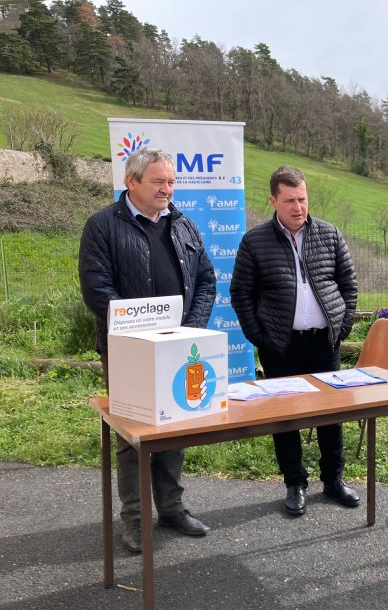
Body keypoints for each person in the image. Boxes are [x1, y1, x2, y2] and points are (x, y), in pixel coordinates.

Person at [79, 147, 216, 553]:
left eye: (171, 182)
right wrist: (139, 335)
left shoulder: (184, 224)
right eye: (159, 182)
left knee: (174, 430)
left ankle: (172, 508)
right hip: (128, 353)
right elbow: (96, 288)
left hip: (177, 348)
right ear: (131, 182)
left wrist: (188, 332)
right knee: (132, 436)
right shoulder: (103, 225)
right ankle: (136, 521)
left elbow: (206, 280)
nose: (167, 189)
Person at [230, 165, 359, 516]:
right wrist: (261, 337)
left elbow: (349, 285)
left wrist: (341, 326)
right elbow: (240, 293)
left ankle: (333, 480)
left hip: (324, 344)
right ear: (273, 200)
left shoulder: (330, 235)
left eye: (302, 198)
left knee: (331, 415)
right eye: (289, 200)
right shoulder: (254, 241)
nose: (298, 207)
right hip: (281, 348)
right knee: (285, 418)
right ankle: (295, 483)